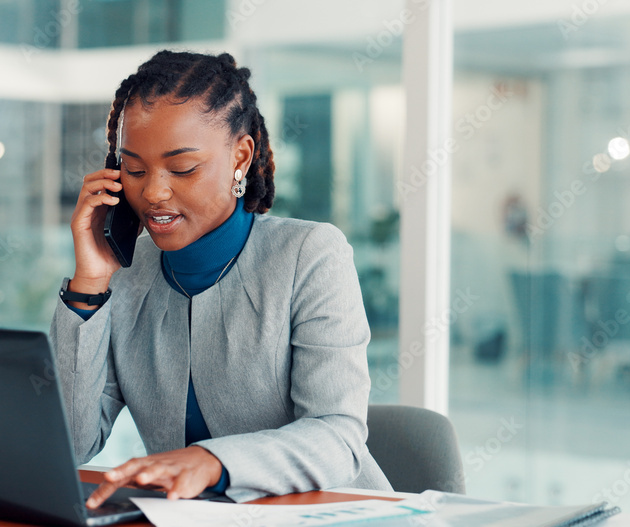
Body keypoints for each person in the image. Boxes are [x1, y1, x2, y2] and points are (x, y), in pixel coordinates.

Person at [50, 50, 391, 508]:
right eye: (133, 169)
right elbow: (71, 443)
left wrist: (211, 462)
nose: (152, 192)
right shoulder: (128, 277)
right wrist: (89, 284)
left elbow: (338, 436)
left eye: (183, 168)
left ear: (241, 156)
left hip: (332, 518)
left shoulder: (309, 255)